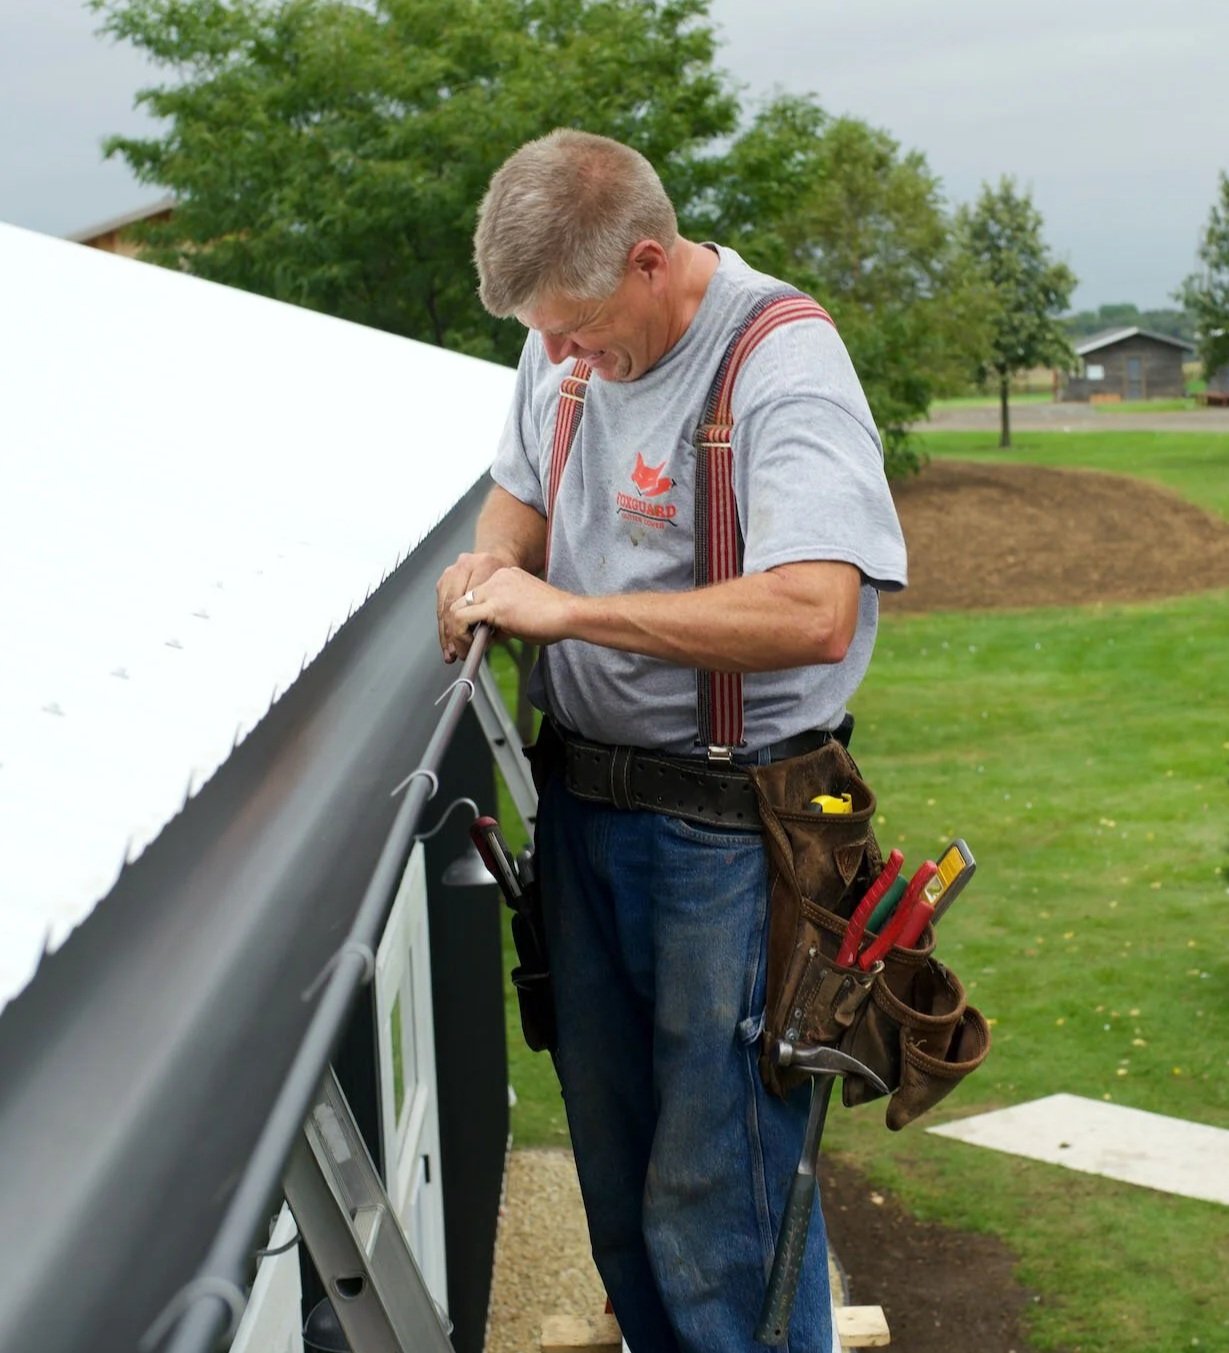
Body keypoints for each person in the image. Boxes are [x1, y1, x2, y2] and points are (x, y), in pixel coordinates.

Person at [436, 129, 907, 1353]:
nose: (552, 357)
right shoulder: (566, 342)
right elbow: (519, 490)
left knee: (723, 1201)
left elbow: (814, 608)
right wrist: (494, 561)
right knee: (623, 1178)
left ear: (650, 261)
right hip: (583, 813)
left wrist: (570, 613)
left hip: (732, 838)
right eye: (538, 332)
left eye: (575, 327)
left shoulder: (777, 362)